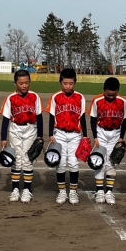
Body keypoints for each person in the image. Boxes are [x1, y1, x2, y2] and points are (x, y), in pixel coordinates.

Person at [0, 70, 43, 203]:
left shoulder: (34, 96)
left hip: (30, 129)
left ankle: (27, 190)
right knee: (16, 159)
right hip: (15, 129)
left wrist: (40, 136)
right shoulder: (10, 98)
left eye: (26, 83)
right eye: (21, 83)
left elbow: (39, 117)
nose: (24, 86)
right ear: (15, 84)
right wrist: (3, 138)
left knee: (27, 159)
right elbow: (5, 119)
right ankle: (15, 189)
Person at [47, 68, 87, 205]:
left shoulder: (80, 97)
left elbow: (82, 117)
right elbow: (51, 116)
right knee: (61, 163)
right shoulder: (56, 97)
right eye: (65, 83)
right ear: (60, 82)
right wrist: (50, 134)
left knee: (74, 163)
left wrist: (85, 136)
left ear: (75, 82)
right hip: (59, 133)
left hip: (75, 134)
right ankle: (62, 191)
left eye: (71, 83)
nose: (68, 86)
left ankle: (73, 191)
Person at [90, 77, 126, 205]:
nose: (111, 97)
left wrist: (121, 138)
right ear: (104, 90)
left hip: (116, 133)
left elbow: (125, 120)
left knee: (112, 162)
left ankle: (109, 192)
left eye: (114, 95)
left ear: (118, 91)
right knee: (99, 161)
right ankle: (100, 191)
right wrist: (95, 137)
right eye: (108, 95)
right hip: (101, 132)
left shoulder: (123, 101)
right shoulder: (97, 100)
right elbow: (93, 119)